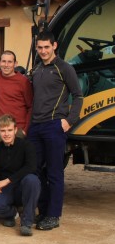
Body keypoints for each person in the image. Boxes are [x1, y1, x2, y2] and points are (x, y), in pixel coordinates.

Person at [28, 30, 83, 231]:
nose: (43, 51)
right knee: (36, 171)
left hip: (54, 126)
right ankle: (42, 211)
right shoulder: (37, 70)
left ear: (54, 46)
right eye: (40, 48)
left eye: (46, 47)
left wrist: (69, 121)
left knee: (54, 172)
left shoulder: (64, 68)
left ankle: (53, 215)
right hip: (36, 126)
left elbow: (78, 96)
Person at [0, 115, 41, 236]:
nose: (6, 134)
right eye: (3, 131)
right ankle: (12, 214)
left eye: (9, 130)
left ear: (15, 130)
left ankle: (27, 222)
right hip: (5, 189)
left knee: (33, 180)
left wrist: (8, 180)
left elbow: (31, 167)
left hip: (22, 185)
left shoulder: (26, 146)